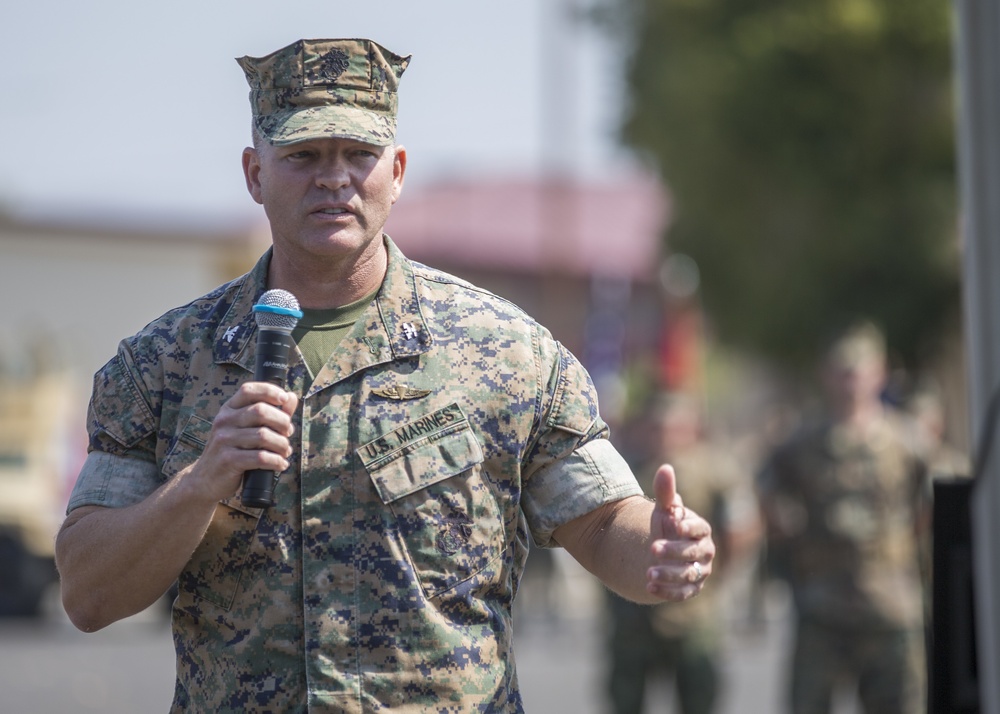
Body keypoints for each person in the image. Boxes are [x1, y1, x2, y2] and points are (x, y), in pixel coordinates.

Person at [54, 38, 716, 713]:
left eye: (359, 155)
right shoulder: (161, 364)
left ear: (396, 172)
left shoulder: (508, 353)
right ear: (255, 174)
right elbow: (88, 594)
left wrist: (659, 549)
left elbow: (603, 525)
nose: (333, 178)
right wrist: (200, 485)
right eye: (303, 156)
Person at [756, 321, 930, 714]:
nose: (850, 381)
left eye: (859, 370)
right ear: (825, 375)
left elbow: (938, 496)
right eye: (841, 371)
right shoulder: (802, 442)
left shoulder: (907, 441)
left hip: (890, 610)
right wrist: (788, 535)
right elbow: (763, 488)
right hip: (822, 608)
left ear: (879, 373)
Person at [606, 391, 759, 714]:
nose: (665, 436)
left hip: (694, 614)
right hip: (632, 617)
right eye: (657, 428)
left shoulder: (715, 470)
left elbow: (742, 529)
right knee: (626, 699)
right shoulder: (624, 468)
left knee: (699, 697)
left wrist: (716, 575)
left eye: (675, 428)